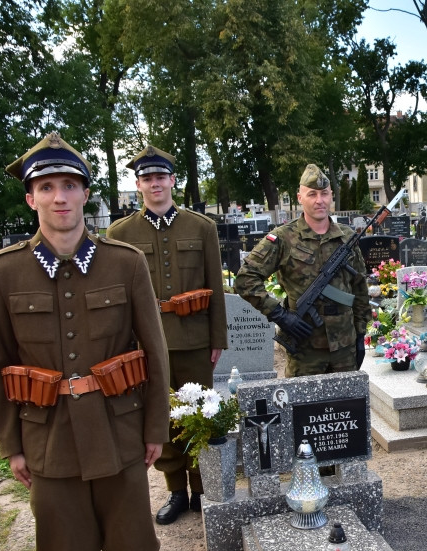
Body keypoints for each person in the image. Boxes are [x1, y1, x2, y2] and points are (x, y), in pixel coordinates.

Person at [0, 132, 172, 551]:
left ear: (86, 195)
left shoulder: (125, 263)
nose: (59, 197)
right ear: (30, 198)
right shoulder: (2, 272)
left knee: (130, 544)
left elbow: (154, 353)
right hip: (49, 436)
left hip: (119, 431)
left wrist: (155, 426)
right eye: (46, 187)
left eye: (69, 186)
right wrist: (11, 445)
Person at [108, 145, 228, 525]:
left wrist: (217, 339)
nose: (154, 183)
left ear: (173, 181)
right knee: (161, 417)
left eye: (161, 177)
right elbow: (119, 296)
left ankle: (203, 488)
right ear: (139, 184)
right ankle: (176, 490)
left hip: (194, 339)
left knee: (199, 415)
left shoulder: (201, 227)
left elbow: (215, 287)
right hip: (148, 342)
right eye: (147, 178)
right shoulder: (120, 233)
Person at [234, 163, 371, 377]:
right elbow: (245, 279)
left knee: (347, 408)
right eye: (312, 194)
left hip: (345, 348)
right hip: (305, 350)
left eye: (324, 194)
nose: (319, 200)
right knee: (304, 409)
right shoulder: (282, 238)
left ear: (331, 195)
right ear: (300, 198)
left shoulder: (347, 237)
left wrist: (361, 334)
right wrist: (280, 315)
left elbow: (360, 288)